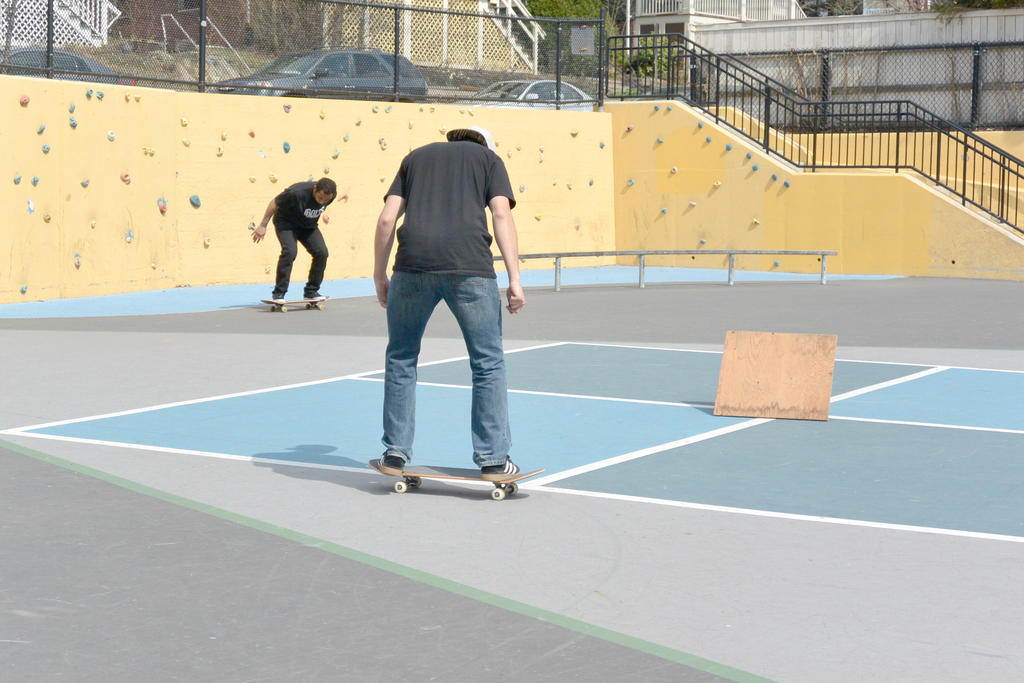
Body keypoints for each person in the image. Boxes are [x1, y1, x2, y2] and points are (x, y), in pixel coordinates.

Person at [373, 125, 526, 481]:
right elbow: (501, 214)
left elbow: (386, 219)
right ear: (484, 145)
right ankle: (492, 459)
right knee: (487, 362)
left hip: (412, 265)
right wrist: (515, 280)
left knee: (401, 358)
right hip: (469, 265)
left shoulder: (415, 158)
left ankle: (394, 453)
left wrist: (380, 275)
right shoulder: (489, 159)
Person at [252, 177, 347, 303]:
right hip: (286, 224)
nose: (321, 202)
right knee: (290, 252)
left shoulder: (330, 196)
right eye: (319, 198)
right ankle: (279, 294)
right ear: (314, 189)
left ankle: (311, 292)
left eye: (325, 200)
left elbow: (320, 206)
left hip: (308, 226)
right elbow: (274, 203)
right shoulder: (296, 192)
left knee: (322, 253)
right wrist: (263, 225)